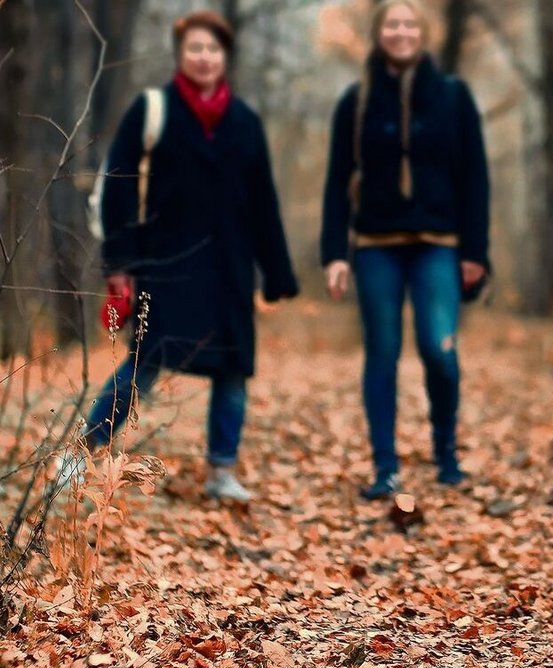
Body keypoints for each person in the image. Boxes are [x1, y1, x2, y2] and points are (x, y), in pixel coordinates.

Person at [70, 10, 298, 502]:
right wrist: (120, 263)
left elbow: (263, 202)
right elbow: (119, 192)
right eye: (194, 48)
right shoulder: (153, 110)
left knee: (233, 369)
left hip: (230, 269)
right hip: (167, 265)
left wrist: (277, 270)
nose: (204, 57)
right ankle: (82, 453)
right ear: (181, 54)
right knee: (145, 362)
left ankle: (221, 473)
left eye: (212, 49)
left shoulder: (246, 122)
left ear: (224, 57)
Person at [321, 0, 491, 499]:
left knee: (440, 349)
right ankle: (386, 467)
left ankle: (445, 451)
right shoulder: (356, 102)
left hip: (439, 244)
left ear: (423, 32)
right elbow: (336, 184)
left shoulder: (454, 98)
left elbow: (475, 178)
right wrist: (335, 253)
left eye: (409, 23)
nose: (400, 31)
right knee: (383, 353)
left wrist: (475, 251)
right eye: (391, 23)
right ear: (378, 34)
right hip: (376, 245)